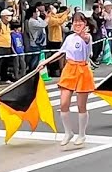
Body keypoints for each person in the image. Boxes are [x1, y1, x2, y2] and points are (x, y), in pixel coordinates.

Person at [38, 13, 94, 146]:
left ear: (85, 23)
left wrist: (82, 34)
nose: (77, 24)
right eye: (74, 22)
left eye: (80, 22)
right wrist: (46, 61)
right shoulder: (69, 38)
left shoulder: (87, 37)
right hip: (69, 69)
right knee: (63, 104)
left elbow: (86, 39)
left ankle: (82, 134)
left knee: (81, 105)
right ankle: (68, 132)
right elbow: (61, 52)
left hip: (82, 70)